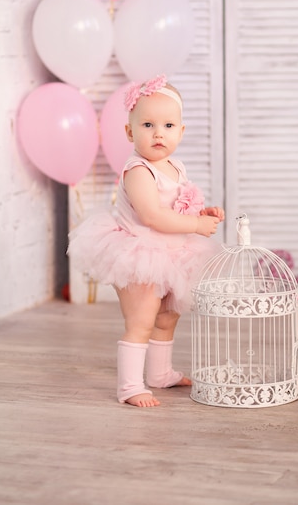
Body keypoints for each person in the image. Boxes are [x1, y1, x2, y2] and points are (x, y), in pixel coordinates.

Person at [68, 75, 225, 408]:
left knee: (167, 317)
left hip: (173, 253)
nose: (158, 133)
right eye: (148, 124)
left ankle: (160, 373)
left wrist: (202, 211)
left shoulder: (175, 167)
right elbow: (153, 216)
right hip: (140, 253)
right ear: (130, 132)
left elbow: (178, 205)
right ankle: (129, 386)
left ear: (181, 132)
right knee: (141, 320)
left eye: (168, 125)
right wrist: (196, 224)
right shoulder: (138, 170)